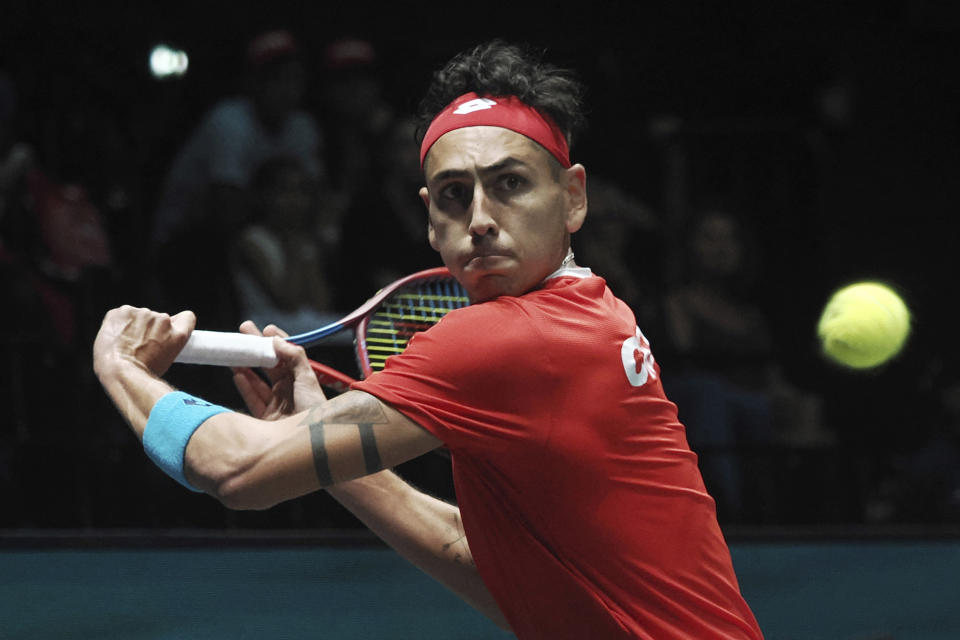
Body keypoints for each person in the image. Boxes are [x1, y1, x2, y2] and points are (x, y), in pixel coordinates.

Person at [93, 40, 763, 639]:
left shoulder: (507, 340)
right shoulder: (592, 313)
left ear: (574, 198)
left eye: (509, 185)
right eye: (453, 195)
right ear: (430, 223)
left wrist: (123, 366)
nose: (479, 219)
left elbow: (233, 471)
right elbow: (477, 560)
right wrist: (308, 432)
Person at [149, 29, 323, 331]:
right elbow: (225, 209)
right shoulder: (229, 121)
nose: (286, 89)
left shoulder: (302, 127)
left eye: (293, 79)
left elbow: (314, 200)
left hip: (266, 232)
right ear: (252, 82)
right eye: (275, 78)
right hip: (188, 240)